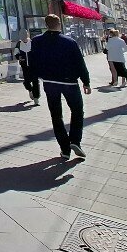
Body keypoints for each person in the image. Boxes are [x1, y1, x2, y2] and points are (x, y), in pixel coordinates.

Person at [28, 14, 91, 160]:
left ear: (46, 25)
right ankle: (75, 141)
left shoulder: (37, 41)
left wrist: (34, 81)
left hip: (50, 83)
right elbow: (79, 63)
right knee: (77, 111)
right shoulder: (69, 42)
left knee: (56, 116)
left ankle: (65, 149)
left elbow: (33, 62)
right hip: (69, 82)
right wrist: (86, 82)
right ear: (59, 24)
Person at [14, 31, 40, 105]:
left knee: (35, 82)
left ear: (28, 35)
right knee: (27, 82)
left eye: (25, 35)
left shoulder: (33, 43)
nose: (24, 37)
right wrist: (19, 57)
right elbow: (16, 53)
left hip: (33, 66)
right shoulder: (19, 44)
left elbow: (38, 53)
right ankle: (30, 90)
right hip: (25, 66)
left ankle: (36, 98)